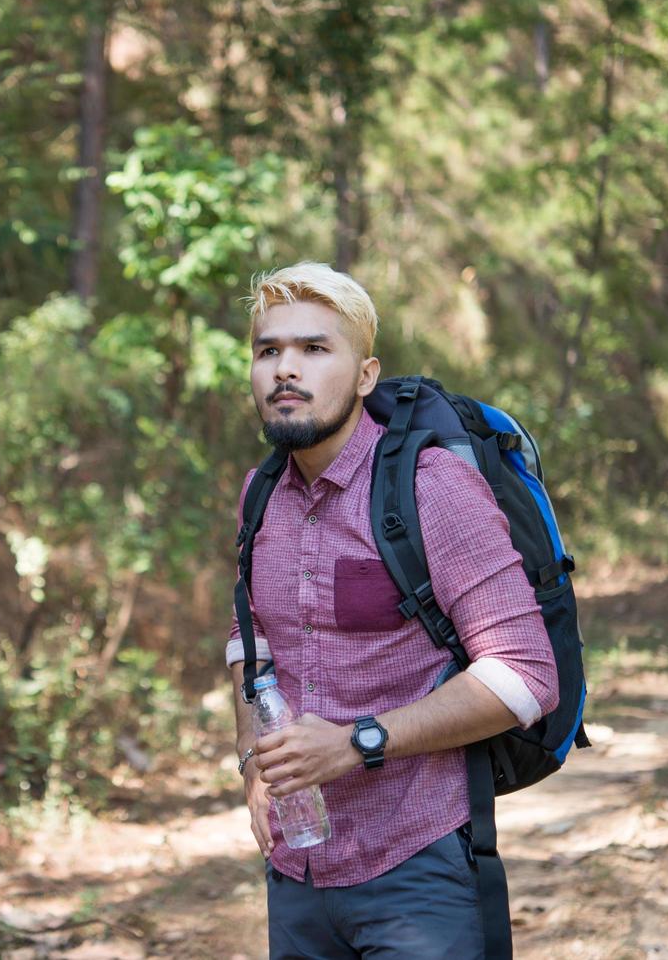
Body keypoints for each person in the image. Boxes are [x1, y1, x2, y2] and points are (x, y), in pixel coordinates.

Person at [225, 262, 560, 959]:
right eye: (268, 350)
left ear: (366, 374)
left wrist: (356, 741)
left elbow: (525, 676)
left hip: (417, 865)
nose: (285, 369)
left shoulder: (433, 489)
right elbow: (249, 637)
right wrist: (250, 764)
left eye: (314, 349)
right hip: (298, 868)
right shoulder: (260, 497)